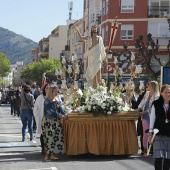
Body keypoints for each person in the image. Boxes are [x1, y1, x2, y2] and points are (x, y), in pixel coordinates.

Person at [42, 84, 67, 160]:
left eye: (57, 91)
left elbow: (61, 109)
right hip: (48, 121)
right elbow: (50, 111)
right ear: (51, 92)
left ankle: (52, 154)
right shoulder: (47, 101)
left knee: (55, 138)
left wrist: (65, 114)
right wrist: (59, 115)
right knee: (49, 138)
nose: (57, 92)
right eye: (56, 91)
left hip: (56, 121)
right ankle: (47, 154)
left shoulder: (57, 100)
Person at [149, 84, 170, 170]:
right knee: (158, 156)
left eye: (169, 92)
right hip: (158, 133)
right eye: (166, 92)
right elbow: (152, 118)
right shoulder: (156, 104)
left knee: (168, 157)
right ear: (161, 93)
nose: (168, 94)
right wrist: (150, 133)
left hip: (169, 133)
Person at [137, 81, 160, 157]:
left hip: (153, 117)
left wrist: (143, 112)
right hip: (145, 117)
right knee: (145, 133)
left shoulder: (157, 97)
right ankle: (145, 149)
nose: (147, 86)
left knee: (152, 133)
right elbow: (142, 102)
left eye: (148, 85)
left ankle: (153, 149)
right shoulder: (147, 93)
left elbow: (152, 108)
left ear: (153, 86)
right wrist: (138, 109)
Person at [33, 83, 48, 154]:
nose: (47, 89)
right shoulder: (40, 97)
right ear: (44, 89)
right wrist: (37, 115)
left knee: (49, 134)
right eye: (46, 88)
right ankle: (43, 148)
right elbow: (35, 107)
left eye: (49, 88)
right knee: (43, 133)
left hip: (50, 118)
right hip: (42, 118)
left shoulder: (53, 97)